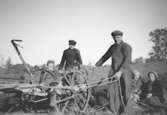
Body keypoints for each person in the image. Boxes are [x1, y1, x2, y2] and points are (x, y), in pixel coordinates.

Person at [95, 30, 133, 115]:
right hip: (113, 71)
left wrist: (120, 72)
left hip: (125, 71)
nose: (116, 39)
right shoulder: (112, 47)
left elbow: (127, 60)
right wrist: (96, 65)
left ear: (121, 37)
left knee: (125, 92)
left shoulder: (126, 46)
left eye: (118, 37)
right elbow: (105, 56)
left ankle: (125, 111)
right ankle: (113, 110)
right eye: (114, 38)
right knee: (112, 92)